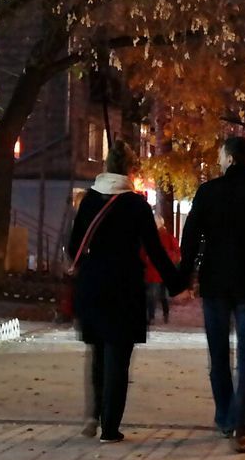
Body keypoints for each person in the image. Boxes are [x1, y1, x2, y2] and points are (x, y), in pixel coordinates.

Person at [68, 141, 184, 444]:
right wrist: (178, 285)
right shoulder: (136, 205)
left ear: (106, 166)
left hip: (92, 284)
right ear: (131, 170)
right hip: (125, 286)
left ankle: (93, 414)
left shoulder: (89, 200)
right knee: (118, 355)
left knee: (96, 351)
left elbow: (72, 247)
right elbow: (156, 251)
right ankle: (110, 428)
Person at [180, 136, 245, 454]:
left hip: (215, 284)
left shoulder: (209, 191)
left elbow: (189, 240)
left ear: (228, 158)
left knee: (219, 354)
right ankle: (240, 424)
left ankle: (225, 417)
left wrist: (185, 276)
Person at [142, 214, 180, 325]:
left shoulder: (165, 237)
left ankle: (156, 316)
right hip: (156, 270)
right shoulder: (161, 236)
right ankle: (156, 316)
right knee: (156, 295)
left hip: (156, 271)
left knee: (157, 295)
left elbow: (177, 254)